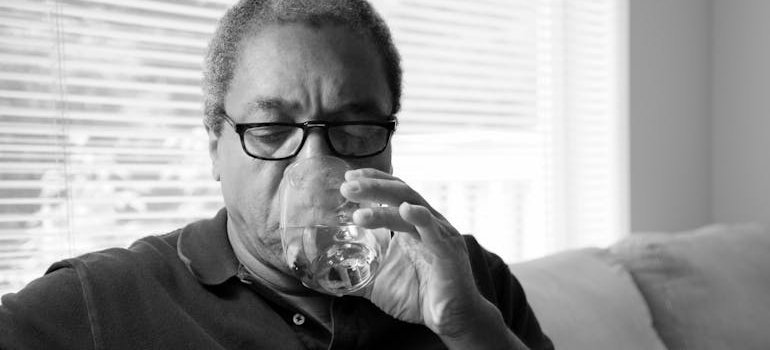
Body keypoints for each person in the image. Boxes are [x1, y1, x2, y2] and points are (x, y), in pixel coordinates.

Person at [0, 0, 554, 349]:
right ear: (216, 147)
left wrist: (469, 329)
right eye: (270, 129)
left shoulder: (472, 279)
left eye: (356, 127)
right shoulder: (106, 302)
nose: (315, 163)